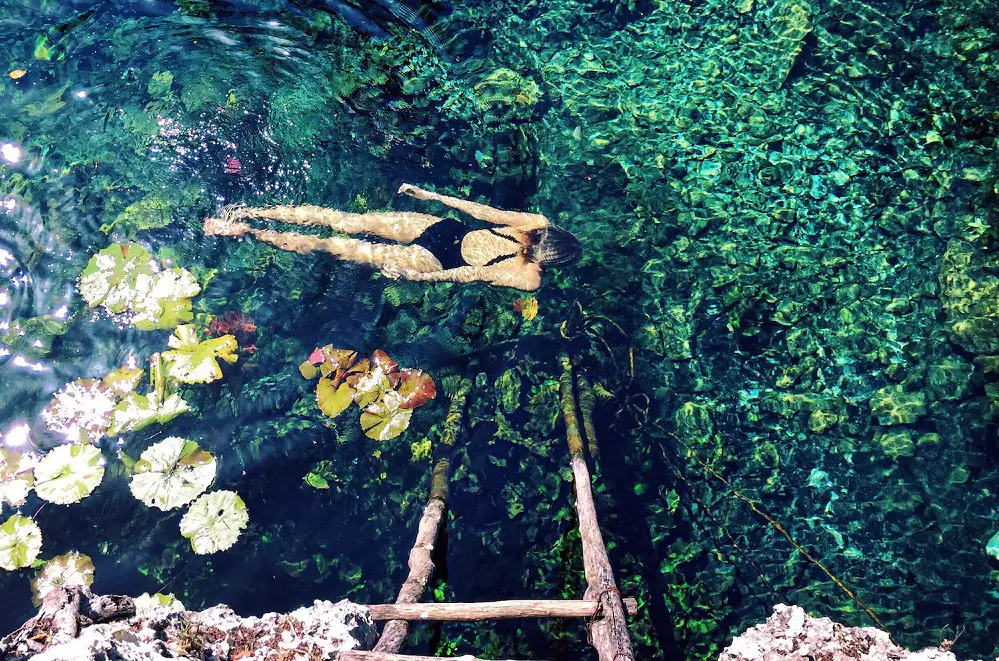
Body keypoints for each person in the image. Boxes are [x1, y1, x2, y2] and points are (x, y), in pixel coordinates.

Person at [202, 184, 581, 291]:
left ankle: (252, 212)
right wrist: (421, 278)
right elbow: (471, 275)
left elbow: (479, 212)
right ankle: (247, 231)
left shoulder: (533, 220)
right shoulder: (529, 278)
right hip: (440, 261)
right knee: (334, 246)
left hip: (441, 228)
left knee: (345, 221)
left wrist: (432, 197)